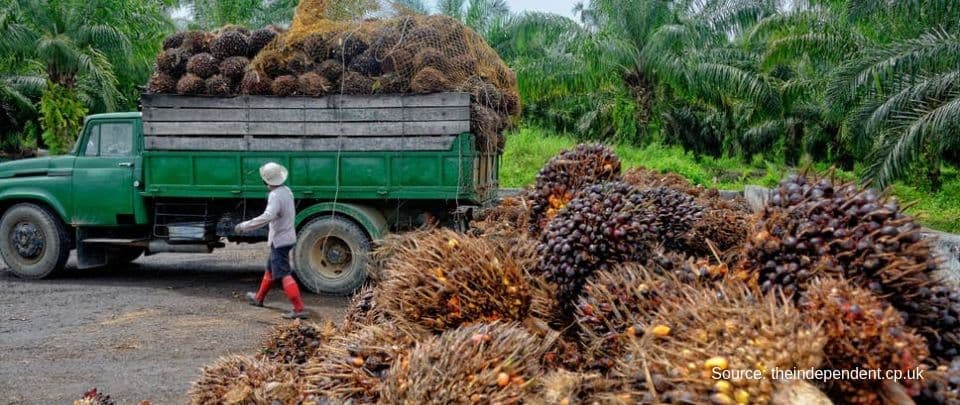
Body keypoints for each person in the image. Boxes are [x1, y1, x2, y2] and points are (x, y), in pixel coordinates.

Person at [235, 162, 307, 319]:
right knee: (270, 269)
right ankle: (259, 298)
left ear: (266, 181)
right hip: (287, 237)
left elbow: (267, 216)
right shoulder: (287, 191)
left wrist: (245, 226)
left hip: (280, 240)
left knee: (283, 274)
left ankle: (299, 308)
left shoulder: (275, 196)